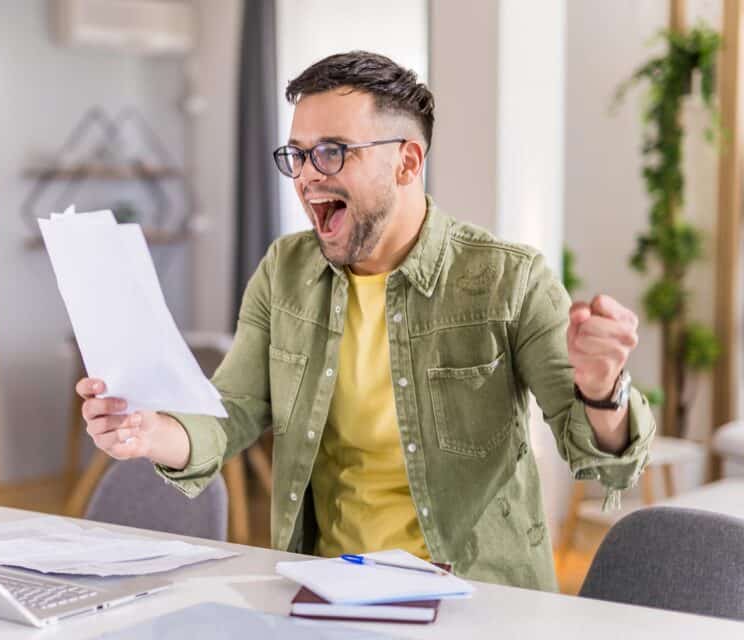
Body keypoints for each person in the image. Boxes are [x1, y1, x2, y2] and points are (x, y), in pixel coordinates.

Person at [74, 51, 655, 591]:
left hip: (474, 596)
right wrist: (150, 432)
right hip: (325, 590)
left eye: (332, 151)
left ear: (406, 161)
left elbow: (602, 457)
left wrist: (602, 391)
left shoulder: (508, 279)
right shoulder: (285, 271)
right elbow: (230, 414)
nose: (306, 175)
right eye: (297, 154)